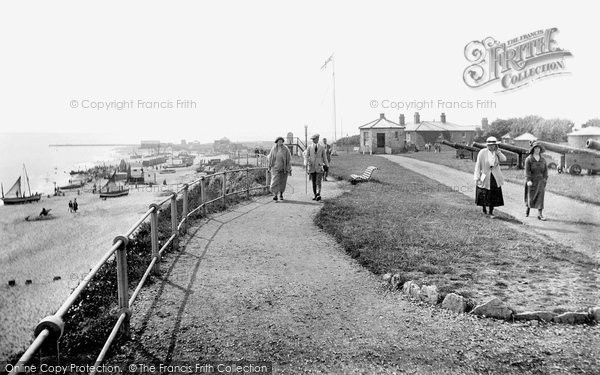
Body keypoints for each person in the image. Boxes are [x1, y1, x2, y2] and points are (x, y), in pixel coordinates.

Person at [474, 136, 507, 218]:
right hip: (484, 175)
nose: (491, 147)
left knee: (493, 193)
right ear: (487, 145)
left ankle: (491, 212)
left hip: (494, 176)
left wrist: (498, 152)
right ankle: (484, 208)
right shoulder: (482, 152)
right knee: (483, 192)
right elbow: (478, 165)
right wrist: (477, 177)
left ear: (496, 145)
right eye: (489, 145)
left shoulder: (497, 153)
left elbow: (504, 159)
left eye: (493, 145)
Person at [524, 141, 548, 221]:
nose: (537, 150)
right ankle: (528, 208)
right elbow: (527, 171)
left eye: (538, 148)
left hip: (540, 181)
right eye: (535, 148)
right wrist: (528, 180)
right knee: (530, 196)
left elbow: (545, 171)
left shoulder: (543, 160)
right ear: (533, 149)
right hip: (531, 180)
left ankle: (540, 214)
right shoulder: (529, 159)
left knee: (540, 197)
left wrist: (544, 179)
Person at [303, 133, 329, 201]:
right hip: (312, 167)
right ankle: (315, 194)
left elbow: (325, 157)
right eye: (315, 139)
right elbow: (306, 156)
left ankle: (318, 194)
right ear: (312, 140)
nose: (316, 140)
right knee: (313, 182)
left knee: (318, 181)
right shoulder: (309, 147)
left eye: (317, 138)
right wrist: (305, 163)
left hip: (319, 166)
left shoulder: (322, 147)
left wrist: (327, 165)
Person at [267, 136, 292, 202]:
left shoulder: (285, 149)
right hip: (275, 168)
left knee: (282, 182)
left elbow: (289, 159)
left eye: (281, 141)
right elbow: (270, 157)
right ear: (277, 142)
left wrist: (289, 168)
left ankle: (281, 194)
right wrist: (269, 166)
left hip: (284, 168)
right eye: (279, 141)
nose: (280, 142)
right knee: (275, 181)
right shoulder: (274, 148)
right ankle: (275, 195)